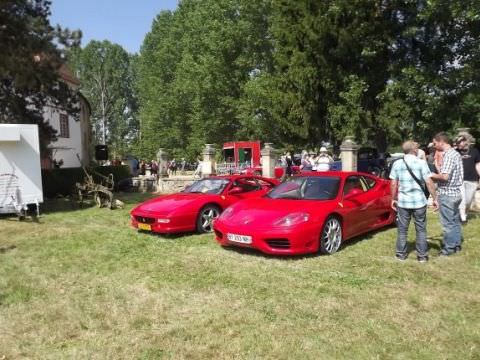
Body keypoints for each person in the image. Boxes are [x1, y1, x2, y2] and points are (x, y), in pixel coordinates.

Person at [390, 141, 437, 262]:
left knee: (402, 229)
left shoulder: (397, 163)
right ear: (413, 150)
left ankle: (400, 255)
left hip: (404, 202)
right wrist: (435, 198)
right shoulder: (421, 163)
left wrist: (393, 198)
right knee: (421, 229)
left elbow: (394, 183)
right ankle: (422, 256)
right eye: (416, 148)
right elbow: (429, 182)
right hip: (419, 202)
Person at [430, 132, 464, 256]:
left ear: (441, 142)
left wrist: (429, 175)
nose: (434, 146)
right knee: (455, 221)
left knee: (447, 223)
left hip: (448, 193)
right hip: (456, 192)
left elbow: (444, 177)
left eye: (434, 143)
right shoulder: (456, 153)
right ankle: (456, 245)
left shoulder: (449, 155)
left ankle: (448, 249)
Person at [455, 135, 480, 223]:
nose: (458, 144)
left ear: (466, 141)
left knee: (468, 200)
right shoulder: (455, 152)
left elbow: (478, 165)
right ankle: (463, 217)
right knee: (462, 199)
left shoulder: (474, 151)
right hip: (459, 180)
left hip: (472, 179)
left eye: (459, 142)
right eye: (457, 142)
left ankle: (464, 213)